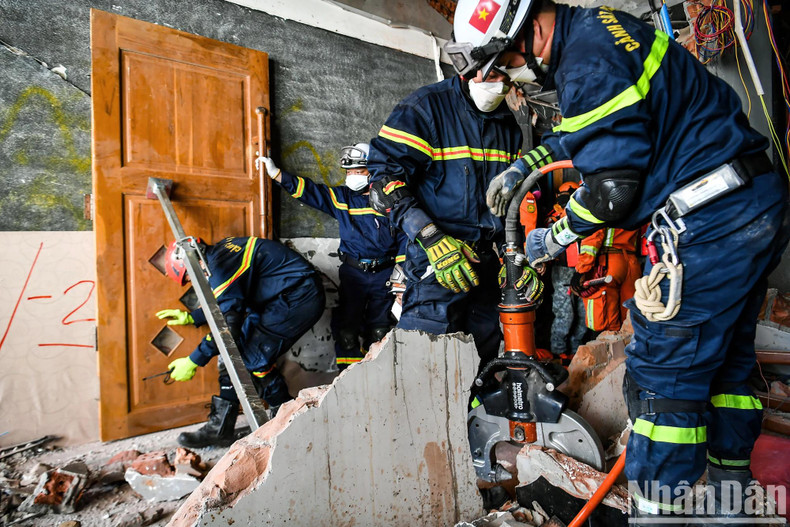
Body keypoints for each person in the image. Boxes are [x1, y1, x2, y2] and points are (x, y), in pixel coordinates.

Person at [450, 0, 789, 523]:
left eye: (505, 62)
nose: (509, 76)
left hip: (709, 219)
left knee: (663, 380)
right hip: (750, 202)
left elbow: (612, 192)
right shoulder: (601, 30)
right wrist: (530, 161)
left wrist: (551, 240)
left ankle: (656, 515)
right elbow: (595, 127)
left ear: (530, 30)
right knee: (727, 361)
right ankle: (731, 500)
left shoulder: (585, 63)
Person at [366, 20, 544, 371]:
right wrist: (431, 237)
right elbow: (382, 183)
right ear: (469, 67)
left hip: (488, 270)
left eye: (506, 76)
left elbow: (514, 205)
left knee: (482, 367)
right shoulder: (425, 109)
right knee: (426, 371)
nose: (498, 84)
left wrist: (522, 258)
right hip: (437, 267)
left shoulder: (510, 125)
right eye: (491, 74)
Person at [157, 236, 325, 447]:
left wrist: (194, 360)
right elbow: (228, 300)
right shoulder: (219, 255)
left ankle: (287, 422)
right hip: (276, 299)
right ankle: (222, 429)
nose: (192, 282)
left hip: (298, 299)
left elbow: (227, 328)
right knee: (239, 355)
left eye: (189, 277)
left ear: (195, 262)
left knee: (253, 357)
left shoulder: (219, 267)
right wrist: (193, 317)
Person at [259, 144, 404, 369]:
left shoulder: (391, 200)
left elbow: (405, 236)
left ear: (374, 170)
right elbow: (310, 192)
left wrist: (401, 274)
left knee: (380, 332)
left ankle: (376, 376)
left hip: (384, 275)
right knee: (347, 333)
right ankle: (348, 380)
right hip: (353, 273)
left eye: (358, 171)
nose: (352, 176)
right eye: (349, 172)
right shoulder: (342, 198)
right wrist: (277, 174)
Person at [572, 227, 642, 332]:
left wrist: (582, 269)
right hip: (632, 263)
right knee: (630, 320)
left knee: (608, 325)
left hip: (609, 262)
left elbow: (594, 231)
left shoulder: (605, 213)